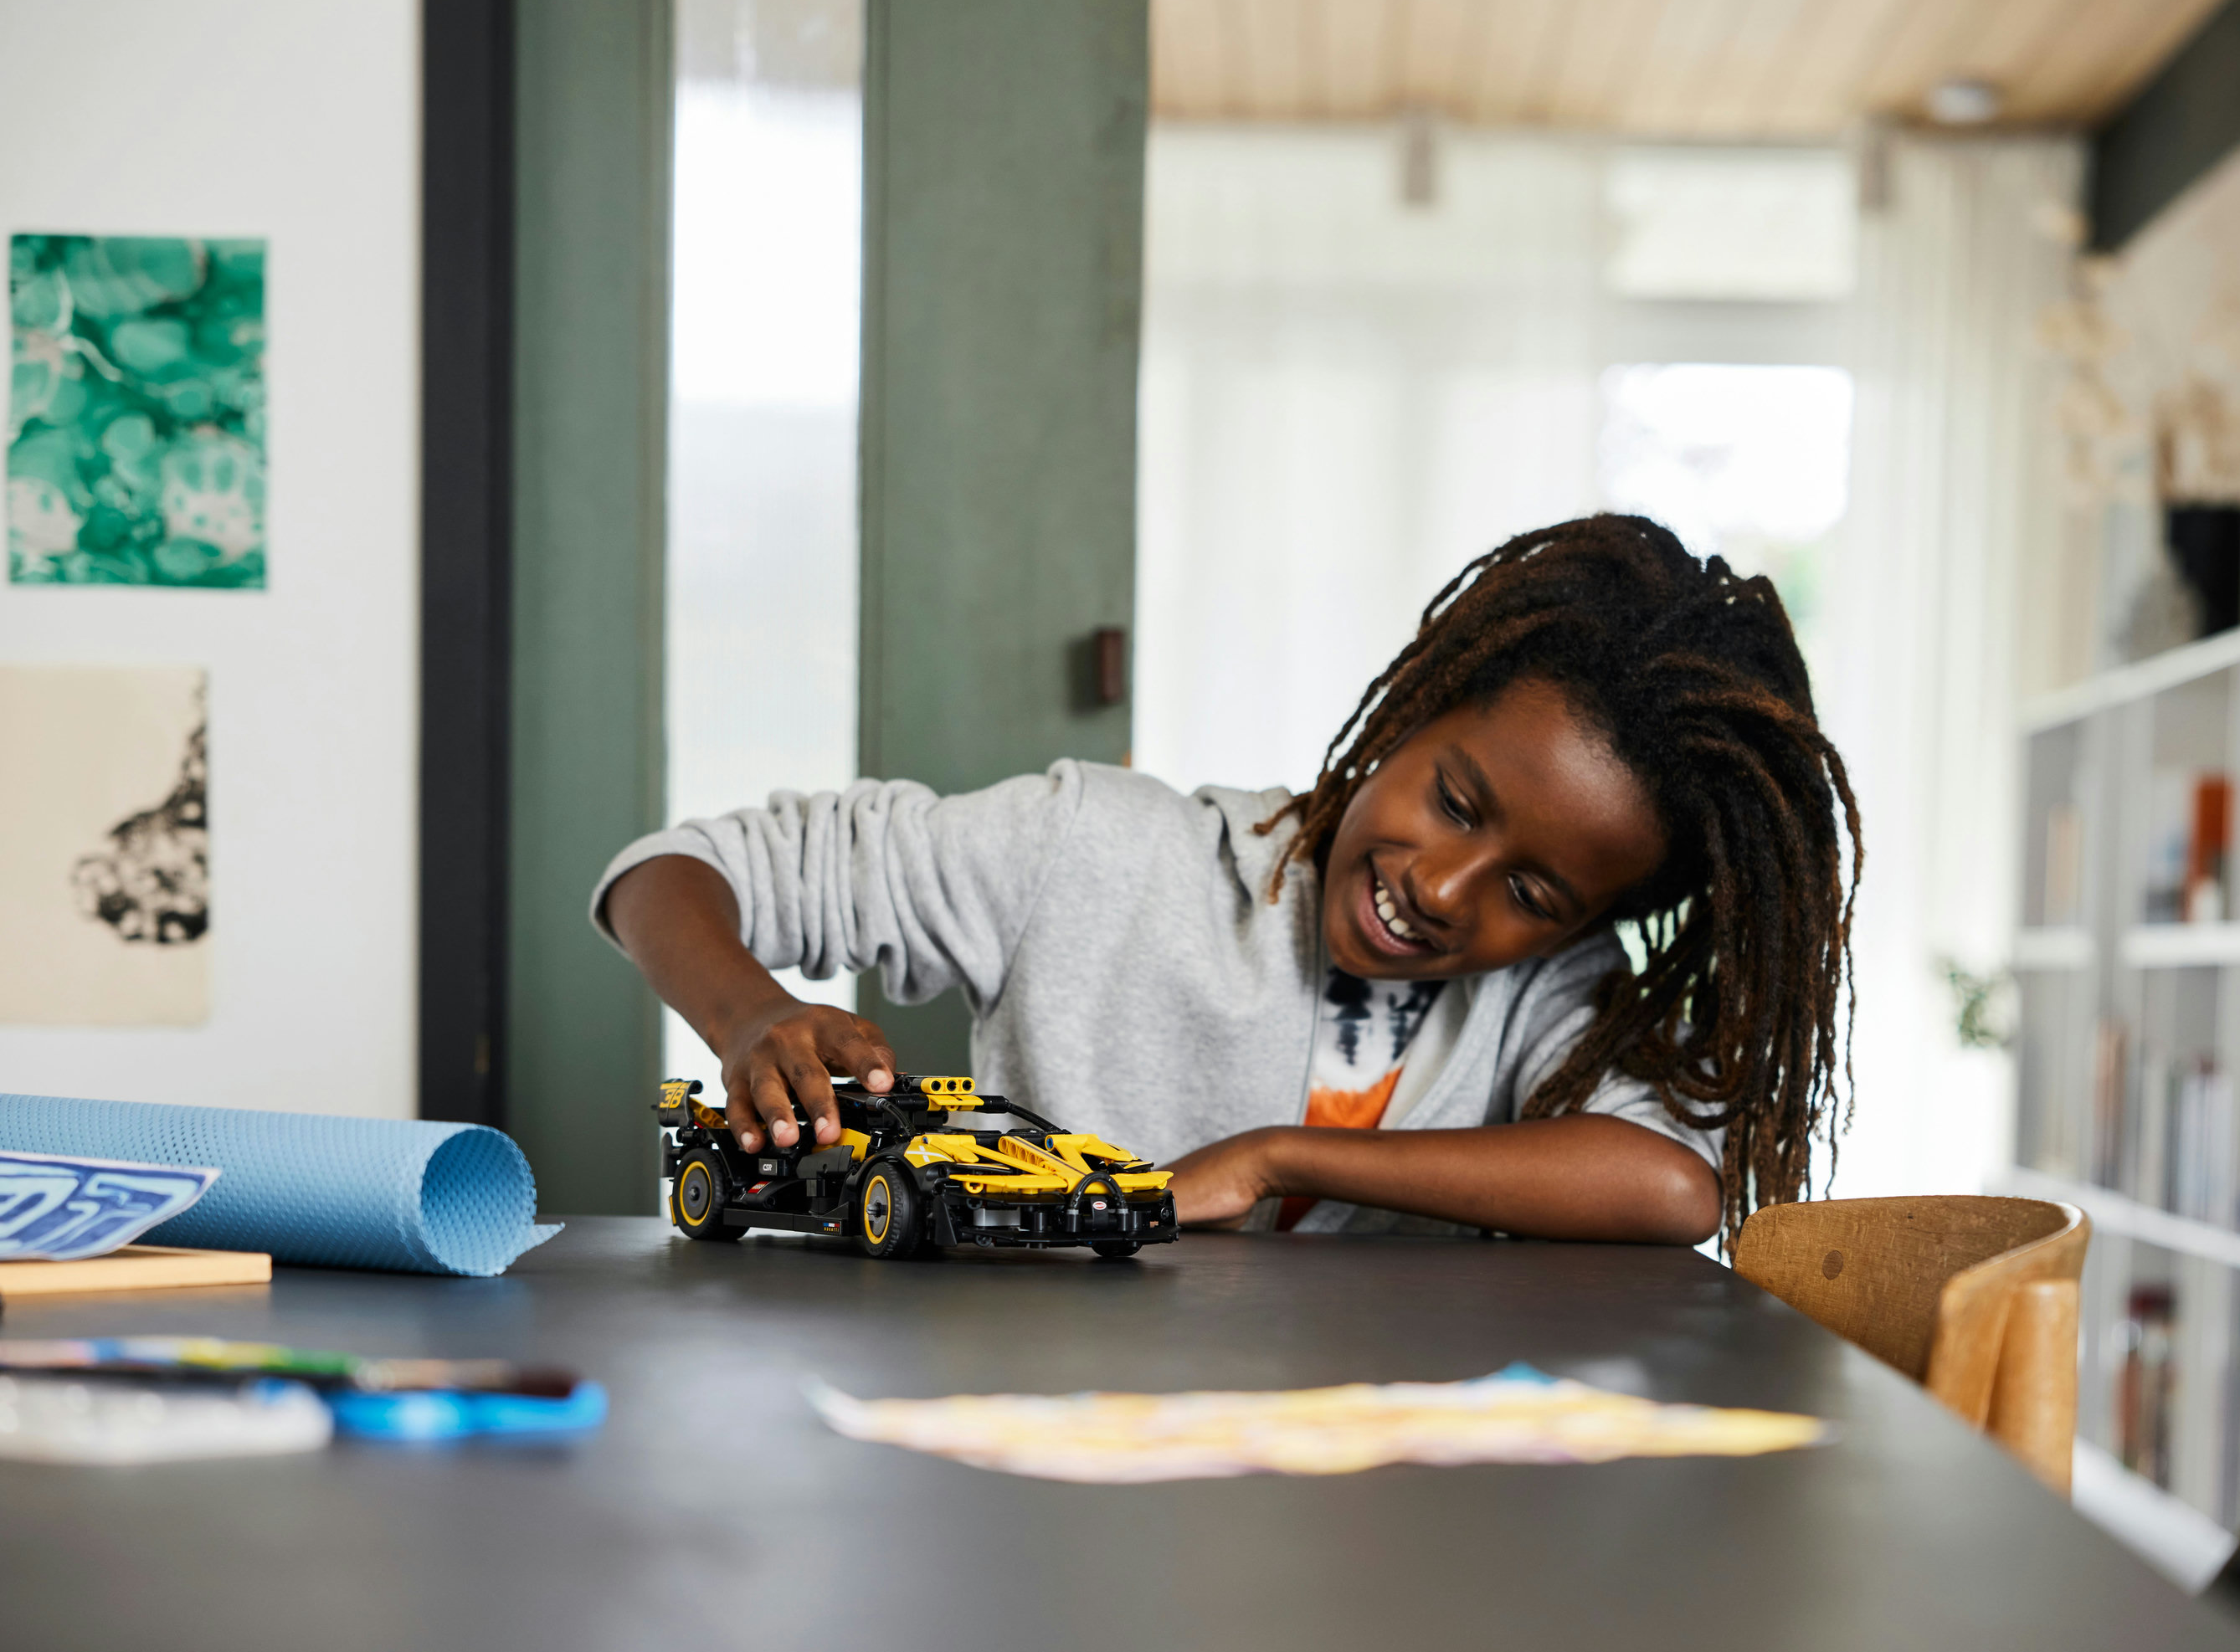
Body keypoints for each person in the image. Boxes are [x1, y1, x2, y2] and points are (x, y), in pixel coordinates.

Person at [595, 514, 1860, 1251]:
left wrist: (1267, 1157)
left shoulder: (1550, 998)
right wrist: (756, 1016)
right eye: (1456, 800)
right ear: (1415, 708)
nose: (1444, 884)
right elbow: (670, 871)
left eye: (1535, 892)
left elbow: (1670, 1183)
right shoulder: (1091, 848)